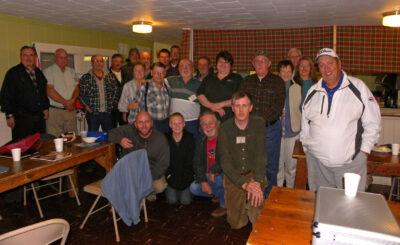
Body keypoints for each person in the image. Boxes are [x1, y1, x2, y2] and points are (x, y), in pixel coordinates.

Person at [300, 48, 381, 191]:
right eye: (322, 65)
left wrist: (364, 152)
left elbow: (373, 122)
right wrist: (307, 148)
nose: (326, 68)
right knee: (322, 205)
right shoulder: (313, 91)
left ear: (339, 64)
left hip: (351, 164)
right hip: (318, 165)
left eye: (330, 63)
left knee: (350, 208)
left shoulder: (358, 87)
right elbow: (305, 124)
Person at [218, 91, 267, 229]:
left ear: (251, 107)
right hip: (234, 176)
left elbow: (261, 155)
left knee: (257, 217)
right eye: (237, 106)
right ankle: (243, 203)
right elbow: (225, 161)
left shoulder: (259, 123)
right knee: (236, 224)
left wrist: (256, 182)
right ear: (232, 108)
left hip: (254, 174)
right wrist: (244, 185)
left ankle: (253, 203)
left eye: (244, 105)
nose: (241, 110)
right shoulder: (225, 128)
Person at [240, 50, 285, 197]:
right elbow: (241, 104)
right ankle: (254, 194)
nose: (260, 64)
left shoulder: (277, 81)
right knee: (250, 163)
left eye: (263, 61)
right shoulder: (247, 81)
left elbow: (278, 107)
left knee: (271, 165)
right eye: (257, 61)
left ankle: (270, 196)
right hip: (249, 129)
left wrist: (258, 122)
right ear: (252, 64)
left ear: (269, 64)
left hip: (270, 129)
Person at [108, 111, 169, 200]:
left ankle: (143, 192)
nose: (144, 125)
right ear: (135, 124)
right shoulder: (128, 130)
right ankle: (140, 194)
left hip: (151, 172)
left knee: (160, 186)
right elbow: (110, 133)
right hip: (131, 172)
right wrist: (120, 139)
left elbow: (163, 164)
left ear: (152, 123)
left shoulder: (160, 138)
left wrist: (146, 178)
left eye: (147, 122)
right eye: (140, 122)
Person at [0, 45, 49, 141]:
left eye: (31, 55)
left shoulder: (39, 73)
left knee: (39, 145)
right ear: (20, 57)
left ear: (35, 57)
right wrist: (9, 115)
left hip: (39, 117)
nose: (28, 58)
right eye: (25, 55)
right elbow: (5, 95)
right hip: (21, 119)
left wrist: (45, 108)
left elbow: (43, 93)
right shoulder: (13, 73)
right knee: (23, 146)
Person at [190, 110, 226, 217]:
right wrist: (203, 181)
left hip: (224, 174)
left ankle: (225, 206)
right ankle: (220, 194)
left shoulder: (225, 137)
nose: (208, 126)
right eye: (204, 124)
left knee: (221, 179)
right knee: (194, 188)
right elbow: (196, 163)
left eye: (211, 122)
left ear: (217, 124)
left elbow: (227, 159)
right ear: (201, 127)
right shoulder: (201, 140)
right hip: (209, 175)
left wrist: (214, 170)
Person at [276, 60, 302, 188]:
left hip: (293, 133)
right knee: (278, 165)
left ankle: (290, 192)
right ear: (278, 72)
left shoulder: (298, 88)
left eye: (288, 71)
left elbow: (302, 110)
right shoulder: (274, 87)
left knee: (292, 167)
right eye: (283, 71)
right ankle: (278, 192)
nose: (286, 74)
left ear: (292, 72)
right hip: (277, 133)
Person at [197, 51, 242, 122]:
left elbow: (239, 99)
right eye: (220, 61)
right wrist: (212, 106)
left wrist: (220, 105)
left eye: (226, 62)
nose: (223, 64)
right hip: (207, 121)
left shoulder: (237, 79)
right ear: (216, 63)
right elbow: (199, 94)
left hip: (228, 121)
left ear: (231, 65)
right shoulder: (208, 78)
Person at [43, 48, 79, 137]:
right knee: (55, 139)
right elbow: (50, 91)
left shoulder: (71, 71)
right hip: (55, 112)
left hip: (70, 111)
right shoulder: (48, 71)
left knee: (72, 138)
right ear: (55, 58)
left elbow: (77, 88)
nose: (63, 60)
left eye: (65, 57)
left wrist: (73, 100)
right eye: (61, 57)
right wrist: (65, 103)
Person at [79, 54, 118, 132]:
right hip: (92, 113)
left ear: (103, 63)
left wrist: (112, 105)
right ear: (92, 63)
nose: (98, 63)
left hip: (107, 113)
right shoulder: (86, 77)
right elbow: (81, 94)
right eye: (96, 61)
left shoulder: (110, 76)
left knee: (109, 136)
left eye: (101, 61)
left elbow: (115, 92)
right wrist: (86, 106)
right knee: (92, 137)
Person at [165, 113, 195, 205]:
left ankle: (185, 191)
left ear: (184, 124)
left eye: (179, 123)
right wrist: (168, 174)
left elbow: (191, 162)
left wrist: (187, 179)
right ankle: (176, 190)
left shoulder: (190, 138)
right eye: (174, 123)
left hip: (186, 177)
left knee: (185, 201)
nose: (177, 126)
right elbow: (163, 160)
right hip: (172, 176)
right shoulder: (165, 138)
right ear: (170, 125)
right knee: (172, 200)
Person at [168, 58, 201, 139]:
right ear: (178, 68)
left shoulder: (200, 84)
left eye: (188, 66)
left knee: (193, 147)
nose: (185, 68)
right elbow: (156, 81)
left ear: (193, 69)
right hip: (175, 123)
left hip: (192, 122)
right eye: (182, 66)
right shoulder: (170, 80)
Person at [137, 62, 170, 133]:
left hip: (166, 124)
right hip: (150, 124)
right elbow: (135, 108)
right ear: (151, 73)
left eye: (161, 73)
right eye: (156, 72)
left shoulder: (167, 86)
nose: (159, 75)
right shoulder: (144, 87)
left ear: (165, 74)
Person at [108, 54, 127, 128]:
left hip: (124, 107)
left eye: (120, 62)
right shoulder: (106, 74)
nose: (118, 63)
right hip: (112, 109)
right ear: (112, 62)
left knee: (125, 129)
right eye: (116, 61)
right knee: (113, 129)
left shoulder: (126, 74)